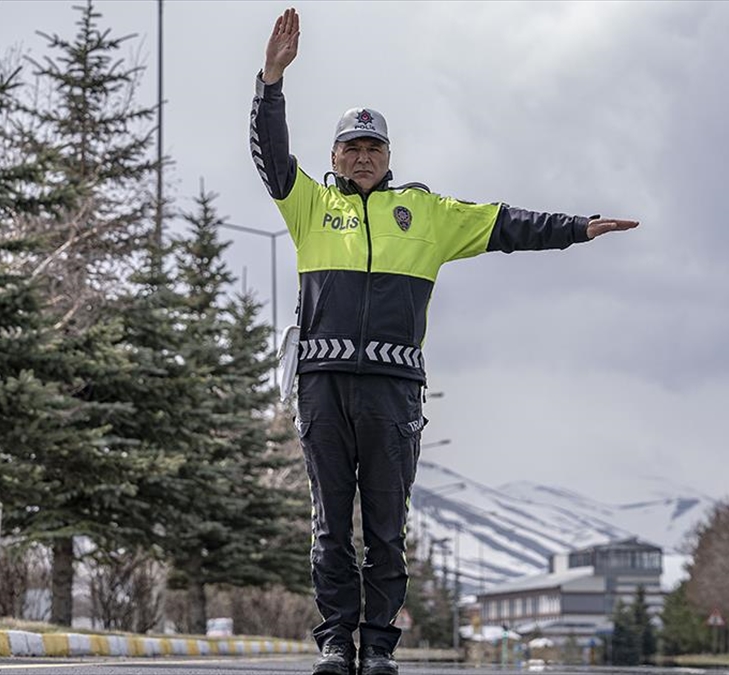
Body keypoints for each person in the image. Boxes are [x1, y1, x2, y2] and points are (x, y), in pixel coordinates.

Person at [249, 8, 639, 675]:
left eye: (374, 148)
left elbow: (506, 223)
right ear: (335, 156)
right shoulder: (309, 204)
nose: (363, 157)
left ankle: (378, 647)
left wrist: (577, 226)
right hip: (322, 386)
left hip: (393, 391)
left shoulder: (426, 214)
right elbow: (267, 151)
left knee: (386, 529)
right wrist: (272, 81)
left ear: (390, 158)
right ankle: (336, 643)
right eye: (352, 147)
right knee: (328, 526)